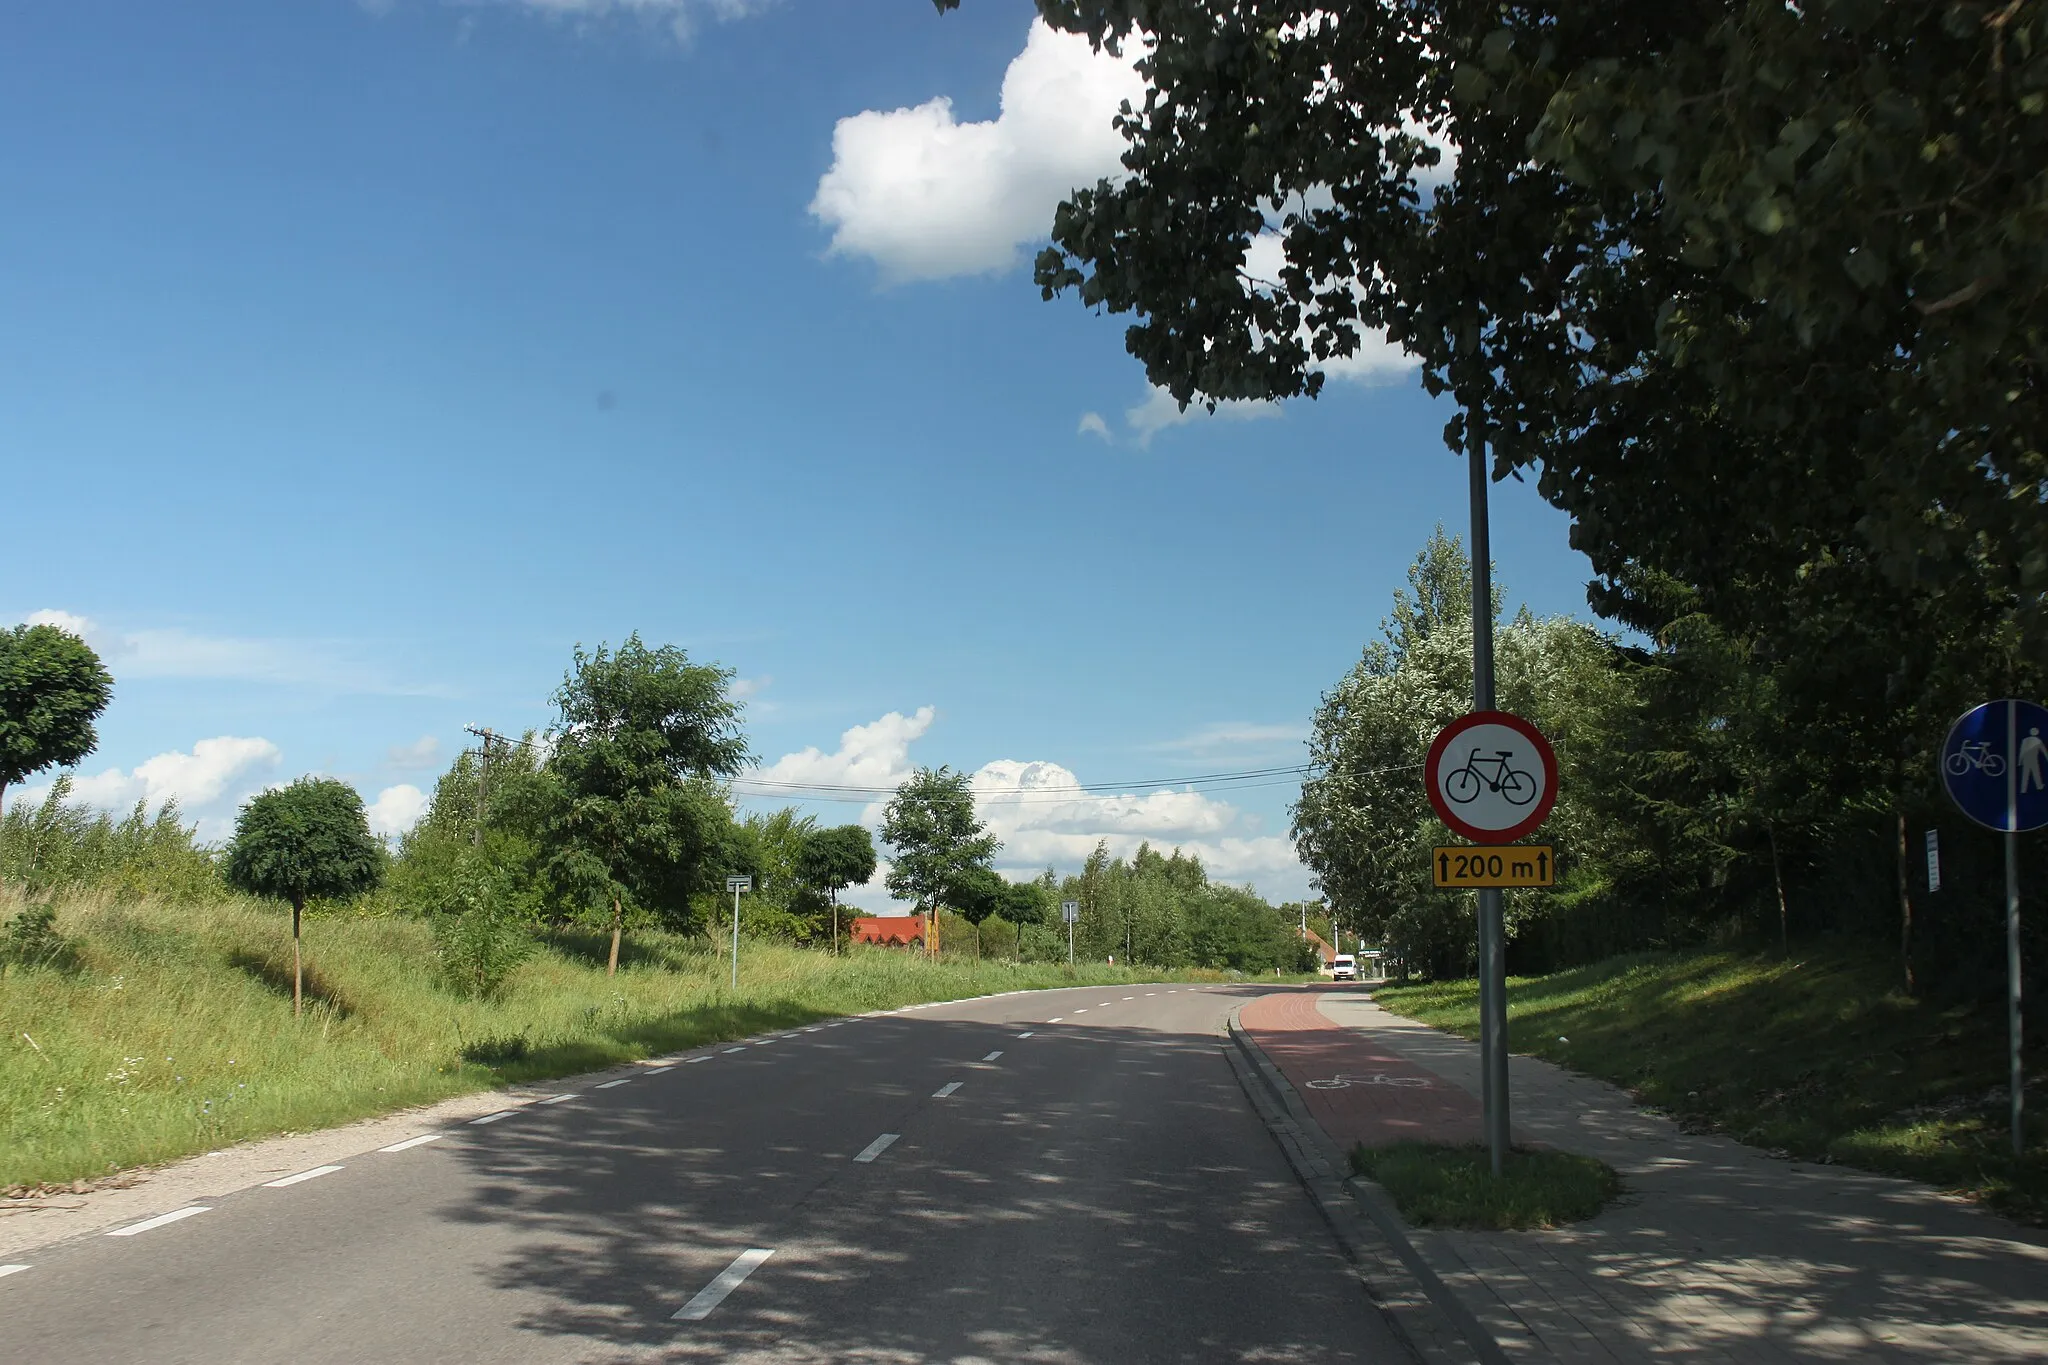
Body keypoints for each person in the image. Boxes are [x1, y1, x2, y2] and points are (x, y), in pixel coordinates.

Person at [2022, 726, 2046, 795]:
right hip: (2033, 760)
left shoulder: (2025, 740)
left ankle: (2023, 789)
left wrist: (2020, 761)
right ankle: (2039, 786)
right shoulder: (2038, 741)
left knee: (2025, 774)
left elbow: (2022, 751)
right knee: (2036, 773)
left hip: (2026, 760)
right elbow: (2044, 751)